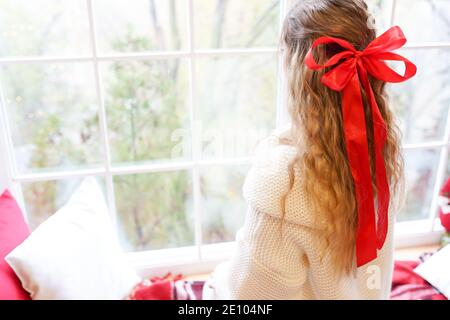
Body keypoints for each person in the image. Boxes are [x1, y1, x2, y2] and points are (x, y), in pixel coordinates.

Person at [202, 0, 416, 300]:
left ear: (298, 73)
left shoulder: (283, 181)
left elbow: (251, 298)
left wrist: (217, 285)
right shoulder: (380, 151)